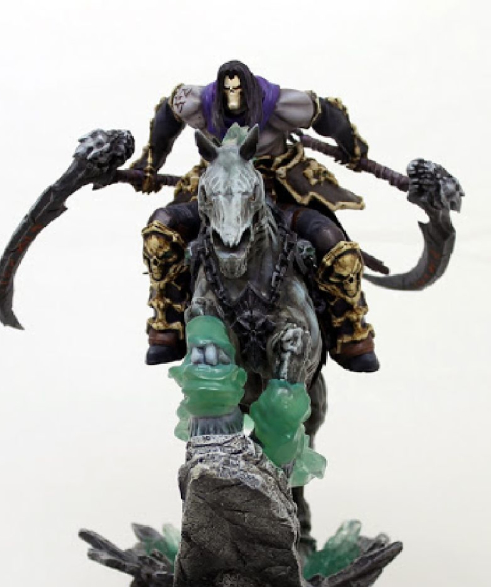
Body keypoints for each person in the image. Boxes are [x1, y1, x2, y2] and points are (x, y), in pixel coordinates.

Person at [131, 60, 379, 373]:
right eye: (227, 90)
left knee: (333, 243)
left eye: (238, 90)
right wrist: (150, 162)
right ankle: (167, 320)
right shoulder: (197, 102)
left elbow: (327, 114)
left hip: (278, 195)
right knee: (160, 229)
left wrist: (352, 147)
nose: (233, 97)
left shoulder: (280, 104)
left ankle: (350, 328)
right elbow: (169, 114)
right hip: (219, 198)